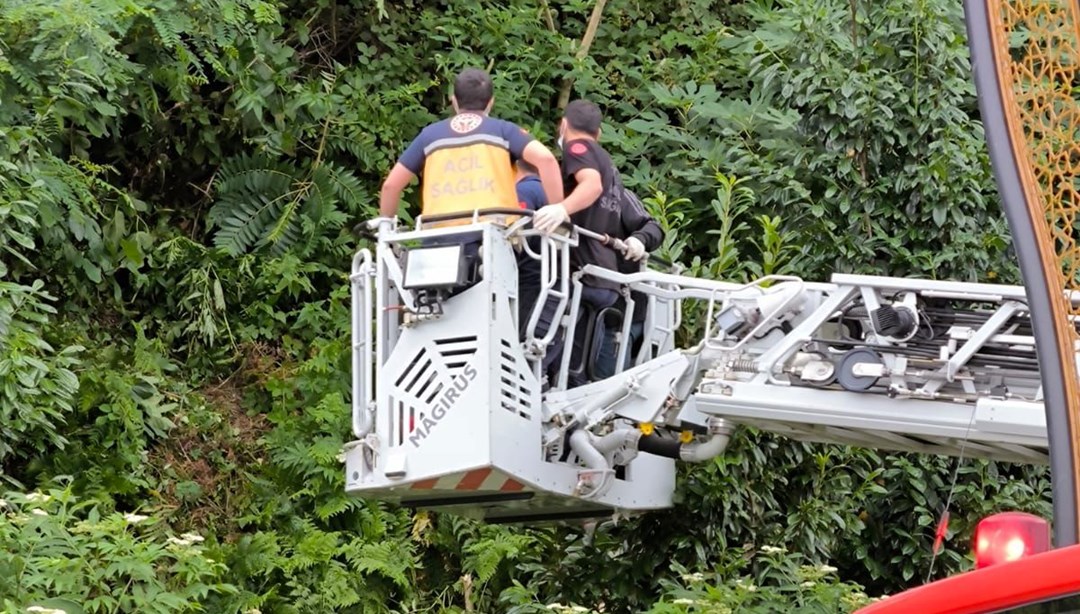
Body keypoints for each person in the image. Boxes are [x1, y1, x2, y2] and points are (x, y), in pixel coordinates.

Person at [376, 68, 564, 278]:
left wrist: (387, 229)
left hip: (437, 242)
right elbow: (546, 159)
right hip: (490, 240)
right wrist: (558, 213)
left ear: (454, 101)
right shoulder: (503, 131)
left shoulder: (430, 136)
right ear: (491, 101)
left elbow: (391, 185)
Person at [533, 99, 662, 386]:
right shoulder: (612, 171)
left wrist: (561, 210)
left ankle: (533, 386)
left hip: (580, 274)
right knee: (576, 368)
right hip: (604, 283)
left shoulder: (578, 149)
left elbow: (591, 185)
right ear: (600, 132)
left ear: (563, 125)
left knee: (537, 345)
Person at [514, 160, 564, 381]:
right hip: (552, 279)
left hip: (531, 281)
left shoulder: (524, 190)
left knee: (525, 351)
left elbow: (513, 230)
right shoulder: (550, 193)